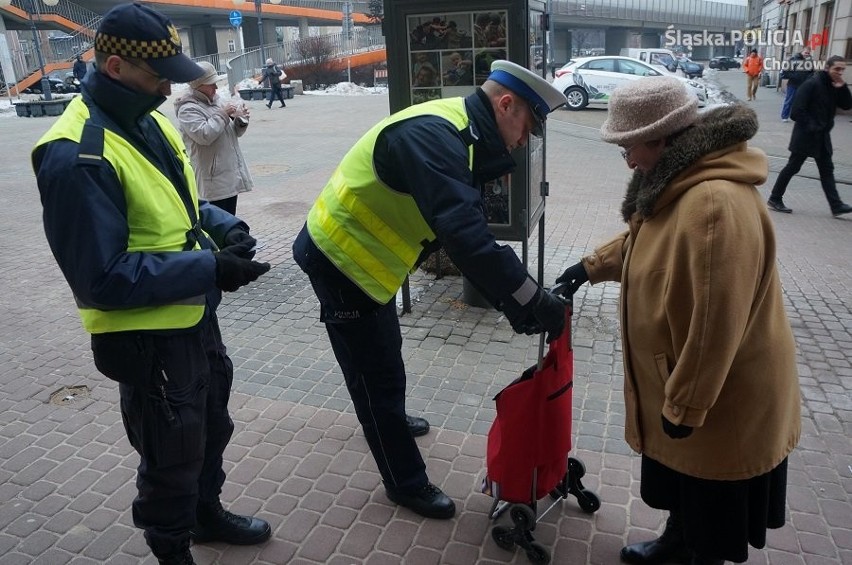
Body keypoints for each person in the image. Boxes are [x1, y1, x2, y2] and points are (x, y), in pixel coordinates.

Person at [30, 4, 272, 564]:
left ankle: (206, 515)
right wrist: (211, 268)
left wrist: (227, 228)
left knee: (212, 426)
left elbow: (182, 207)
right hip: (146, 338)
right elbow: (101, 279)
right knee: (170, 453)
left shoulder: (148, 121)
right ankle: (171, 548)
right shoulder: (77, 155)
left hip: (191, 317)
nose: (168, 86)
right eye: (157, 75)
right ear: (115, 67)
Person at [292, 60, 568, 520]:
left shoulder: (461, 131)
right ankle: (404, 482)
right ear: (506, 104)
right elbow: (467, 239)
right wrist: (530, 300)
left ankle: (388, 423)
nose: (525, 141)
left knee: (383, 358)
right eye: (528, 128)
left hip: (366, 265)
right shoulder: (437, 138)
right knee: (375, 375)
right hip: (340, 260)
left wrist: (514, 304)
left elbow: (467, 236)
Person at [556, 77, 800, 564]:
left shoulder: (712, 205)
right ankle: (676, 543)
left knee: (712, 504)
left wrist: (686, 405)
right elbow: (647, 241)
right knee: (690, 487)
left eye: (629, 146)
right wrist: (587, 268)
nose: (627, 159)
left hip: (717, 395)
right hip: (697, 387)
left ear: (663, 137)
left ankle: (695, 552)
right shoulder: (679, 182)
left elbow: (715, 325)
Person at [768, 55, 852, 217]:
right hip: (806, 135)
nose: (839, 72)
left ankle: (836, 205)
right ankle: (774, 198)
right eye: (837, 69)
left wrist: (842, 87)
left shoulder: (834, 85)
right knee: (793, 167)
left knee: (827, 170)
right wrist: (813, 126)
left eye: (842, 69)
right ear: (827, 68)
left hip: (822, 137)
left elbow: (847, 105)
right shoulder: (812, 84)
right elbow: (796, 111)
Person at [175, 61, 253, 215]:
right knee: (218, 228)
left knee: (230, 221)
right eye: (211, 84)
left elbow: (232, 134)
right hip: (213, 181)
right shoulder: (187, 109)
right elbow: (204, 135)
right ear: (198, 85)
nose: (216, 88)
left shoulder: (218, 101)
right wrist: (224, 114)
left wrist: (240, 120)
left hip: (230, 176)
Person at [779, 48, 812, 122]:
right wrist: (794, 76)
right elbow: (786, 70)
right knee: (789, 100)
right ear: (802, 52)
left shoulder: (809, 62)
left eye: (808, 53)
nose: (806, 54)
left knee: (800, 102)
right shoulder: (793, 59)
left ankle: (795, 116)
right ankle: (784, 116)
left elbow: (811, 72)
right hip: (793, 84)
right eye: (805, 52)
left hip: (803, 85)